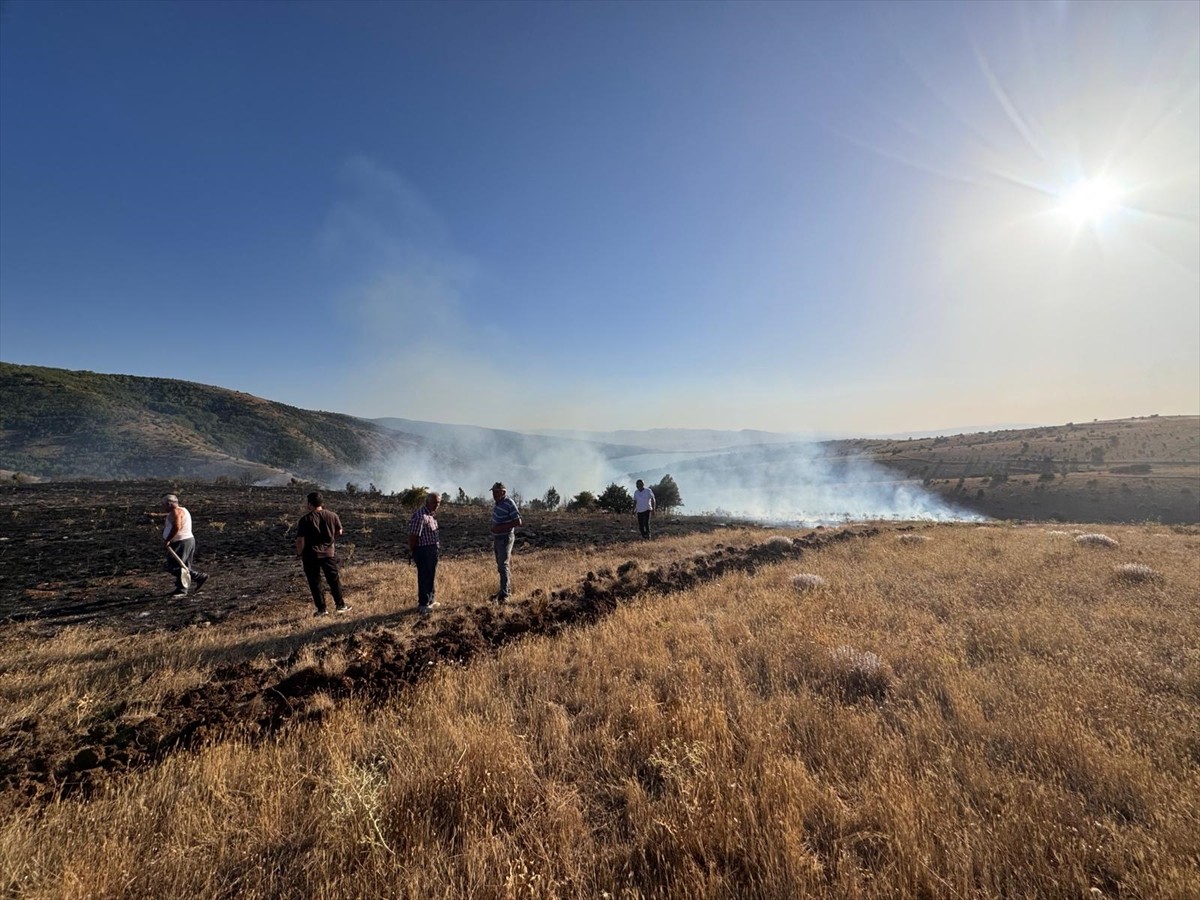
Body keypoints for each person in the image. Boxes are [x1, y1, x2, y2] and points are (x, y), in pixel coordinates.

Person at [294, 491, 351, 617]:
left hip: (311, 555)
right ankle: (340, 605)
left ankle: (322, 609)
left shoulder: (305, 519)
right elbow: (339, 531)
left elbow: (300, 540)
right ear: (321, 502)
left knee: (315, 582)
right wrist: (330, 539)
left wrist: (299, 553)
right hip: (328, 553)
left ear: (310, 504)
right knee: (333, 580)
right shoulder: (332, 515)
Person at [160, 493, 209, 599]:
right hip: (187, 540)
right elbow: (171, 517)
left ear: (168, 504)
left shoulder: (176, 512)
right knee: (183, 565)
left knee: (175, 566)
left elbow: (177, 526)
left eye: (163, 505)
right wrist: (155, 515)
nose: (163, 507)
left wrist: (168, 540)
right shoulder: (182, 510)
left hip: (181, 542)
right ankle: (181, 589)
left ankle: (198, 577)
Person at [408, 491, 441, 615]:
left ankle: (431, 600)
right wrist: (413, 551)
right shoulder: (420, 516)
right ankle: (423, 604)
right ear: (427, 502)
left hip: (432, 550)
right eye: (434, 502)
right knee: (424, 577)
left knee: (430, 575)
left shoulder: (431, 515)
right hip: (423, 550)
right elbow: (413, 536)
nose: (436, 505)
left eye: (438, 503)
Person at [489, 481, 522, 602]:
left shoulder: (509, 503)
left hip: (505, 537)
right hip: (498, 538)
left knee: (503, 565)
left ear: (503, 492)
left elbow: (518, 521)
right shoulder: (498, 504)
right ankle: (504, 590)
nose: (494, 494)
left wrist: (500, 528)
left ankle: (506, 594)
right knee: (500, 565)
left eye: (496, 492)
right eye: (493, 492)